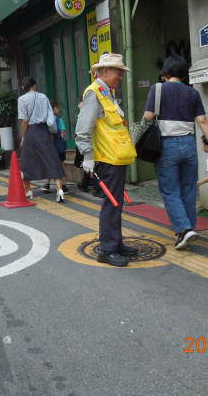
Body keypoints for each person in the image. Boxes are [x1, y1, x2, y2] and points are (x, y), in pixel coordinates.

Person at [144, 55, 208, 250]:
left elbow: (148, 116)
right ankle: (189, 230)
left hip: (167, 146)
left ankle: (184, 230)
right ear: (185, 75)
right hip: (189, 144)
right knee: (188, 189)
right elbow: (202, 120)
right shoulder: (192, 93)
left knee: (170, 190)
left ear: (165, 72)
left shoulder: (157, 89)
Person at [76, 53, 138, 267]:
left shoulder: (106, 92)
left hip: (115, 158)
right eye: (118, 72)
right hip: (107, 159)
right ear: (104, 71)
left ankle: (115, 243)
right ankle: (107, 249)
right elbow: (83, 128)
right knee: (111, 204)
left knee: (116, 203)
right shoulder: (94, 93)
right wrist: (87, 156)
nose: (120, 76)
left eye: (121, 72)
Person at [18, 77, 67, 202]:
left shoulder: (21, 99)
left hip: (30, 132)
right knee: (51, 159)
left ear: (24, 87)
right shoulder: (43, 97)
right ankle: (59, 189)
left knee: (26, 161)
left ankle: (28, 191)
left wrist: (23, 137)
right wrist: (51, 132)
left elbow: (24, 121)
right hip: (43, 131)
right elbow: (50, 120)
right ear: (35, 85)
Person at [75, 97, 103, 198]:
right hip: (86, 144)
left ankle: (99, 188)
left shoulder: (88, 114)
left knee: (91, 166)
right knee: (88, 165)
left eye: (80, 103)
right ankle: (84, 184)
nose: (78, 105)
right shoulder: (85, 114)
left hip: (90, 144)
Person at [42, 101, 69, 195]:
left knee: (49, 164)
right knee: (62, 165)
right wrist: (63, 140)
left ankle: (47, 184)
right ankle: (64, 185)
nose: (58, 109)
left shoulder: (45, 120)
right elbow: (63, 132)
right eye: (57, 108)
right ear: (52, 110)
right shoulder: (59, 120)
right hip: (59, 145)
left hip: (50, 145)